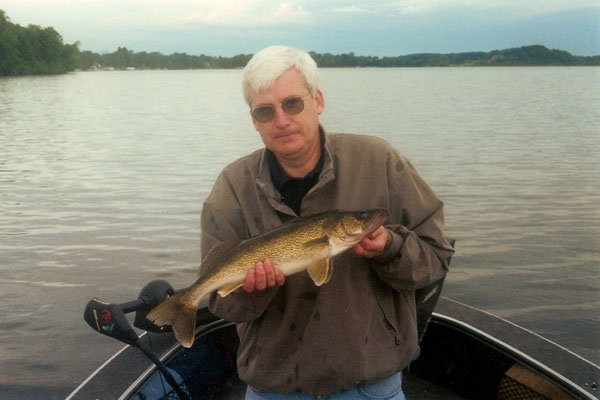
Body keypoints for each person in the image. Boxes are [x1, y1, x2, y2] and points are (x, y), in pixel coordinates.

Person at [200, 45, 454, 399]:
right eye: (265, 111)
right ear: (254, 121)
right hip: (274, 389)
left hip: (370, 387)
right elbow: (221, 302)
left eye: (292, 103)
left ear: (317, 100)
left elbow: (436, 258)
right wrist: (253, 288)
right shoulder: (232, 187)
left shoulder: (379, 160)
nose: (282, 120)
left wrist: (390, 247)